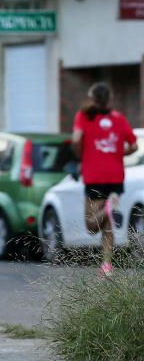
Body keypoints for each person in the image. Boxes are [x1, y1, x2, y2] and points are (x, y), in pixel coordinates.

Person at [72, 83, 138, 276]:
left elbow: (76, 140)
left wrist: (81, 155)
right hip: (116, 177)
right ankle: (107, 266)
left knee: (92, 225)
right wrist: (119, 152)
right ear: (109, 99)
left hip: (94, 176)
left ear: (92, 98)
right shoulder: (119, 119)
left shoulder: (84, 116)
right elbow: (133, 145)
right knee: (108, 226)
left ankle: (109, 206)